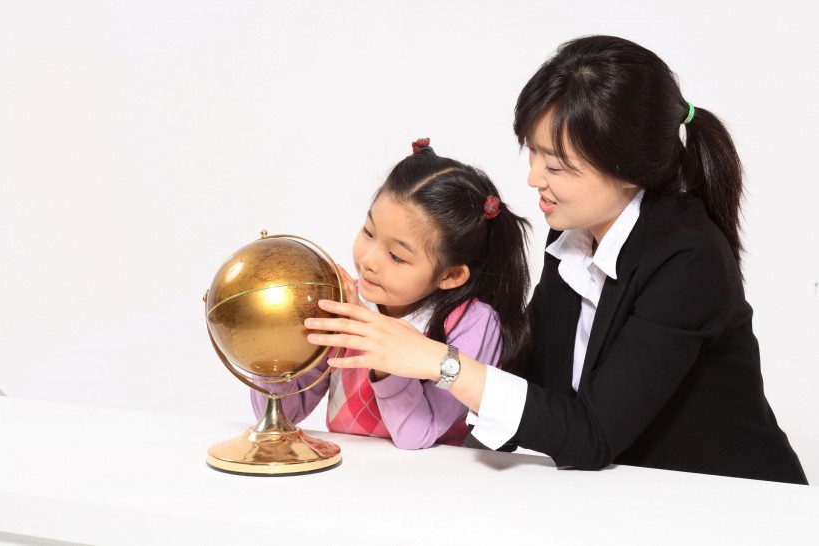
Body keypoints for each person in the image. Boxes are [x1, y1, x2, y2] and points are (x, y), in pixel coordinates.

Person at [304, 36, 809, 484]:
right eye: (533, 153)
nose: (533, 179)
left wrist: (438, 361)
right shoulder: (573, 233)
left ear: (628, 170)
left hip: (733, 500)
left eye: (558, 165)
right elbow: (533, 386)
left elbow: (591, 434)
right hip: (636, 497)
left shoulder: (689, 259)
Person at [252, 138, 531, 449]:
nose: (369, 261)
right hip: (348, 470)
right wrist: (275, 338)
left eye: (397, 257)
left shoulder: (472, 323)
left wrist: (380, 352)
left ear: (450, 275)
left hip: (433, 474)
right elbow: (282, 414)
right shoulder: (345, 301)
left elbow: (415, 437)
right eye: (368, 232)